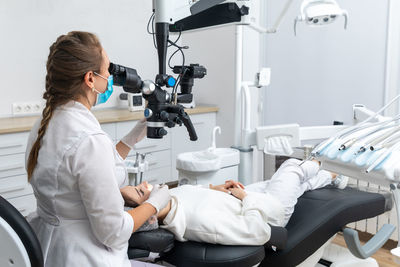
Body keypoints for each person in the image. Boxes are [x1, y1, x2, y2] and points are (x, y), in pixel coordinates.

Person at [25, 31, 171, 267]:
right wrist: (155, 201)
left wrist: (132, 138)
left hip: (49, 250)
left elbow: (79, 174)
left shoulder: (45, 123)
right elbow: (114, 231)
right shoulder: (89, 139)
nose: (110, 77)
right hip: (86, 257)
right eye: (106, 70)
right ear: (90, 79)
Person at [127, 159, 348, 246]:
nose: (146, 183)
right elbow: (256, 231)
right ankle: (327, 159)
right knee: (291, 167)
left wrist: (217, 189)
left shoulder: (171, 199)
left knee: (287, 183)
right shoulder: (197, 222)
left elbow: (194, 192)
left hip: (238, 199)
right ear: (151, 211)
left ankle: (332, 178)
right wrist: (247, 198)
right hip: (269, 209)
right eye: (141, 190)